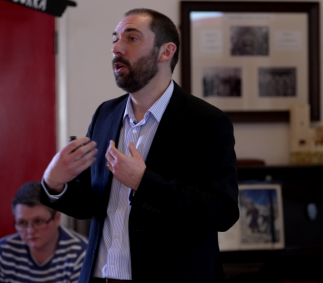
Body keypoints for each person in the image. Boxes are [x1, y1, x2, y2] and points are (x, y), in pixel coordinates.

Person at [40, 8, 239, 283]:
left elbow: (222, 213)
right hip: (100, 277)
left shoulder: (207, 122)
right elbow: (90, 204)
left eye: (131, 38)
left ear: (165, 51)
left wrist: (144, 182)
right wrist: (55, 184)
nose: (117, 48)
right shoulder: (104, 115)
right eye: (115, 39)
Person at [0, 182, 88, 283]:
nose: (30, 231)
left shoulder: (80, 253)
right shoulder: (4, 251)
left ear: (57, 218)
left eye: (39, 221)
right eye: (22, 223)